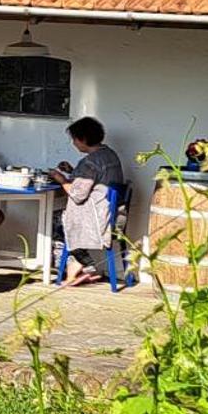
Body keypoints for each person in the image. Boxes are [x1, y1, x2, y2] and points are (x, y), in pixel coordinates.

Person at [54, 115, 127, 286]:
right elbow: (94, 181)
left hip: (99, 218)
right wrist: (72, 171)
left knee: (55, 222)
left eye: (74, 139)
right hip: (117, 214)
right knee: (62, 220)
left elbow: (78, 195)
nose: (73, 143)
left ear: (83, 139)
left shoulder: (90, 162)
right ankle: (80, 266)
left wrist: (61, 180)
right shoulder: (109, 154)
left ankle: (83, 266)